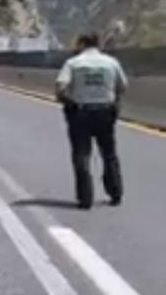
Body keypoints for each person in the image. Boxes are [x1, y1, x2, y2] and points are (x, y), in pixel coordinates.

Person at [55, 32, 128, 210]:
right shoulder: (111, 62)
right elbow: (123, 85)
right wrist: (115, 102)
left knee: (81, 155)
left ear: (81, 44)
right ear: (98, 43)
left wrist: (68, 103)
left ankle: (85, 198)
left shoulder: (73, 63)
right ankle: (115, 192)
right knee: (109, 154)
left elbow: (60, 86)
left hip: (81, 113)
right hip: (105, 112)